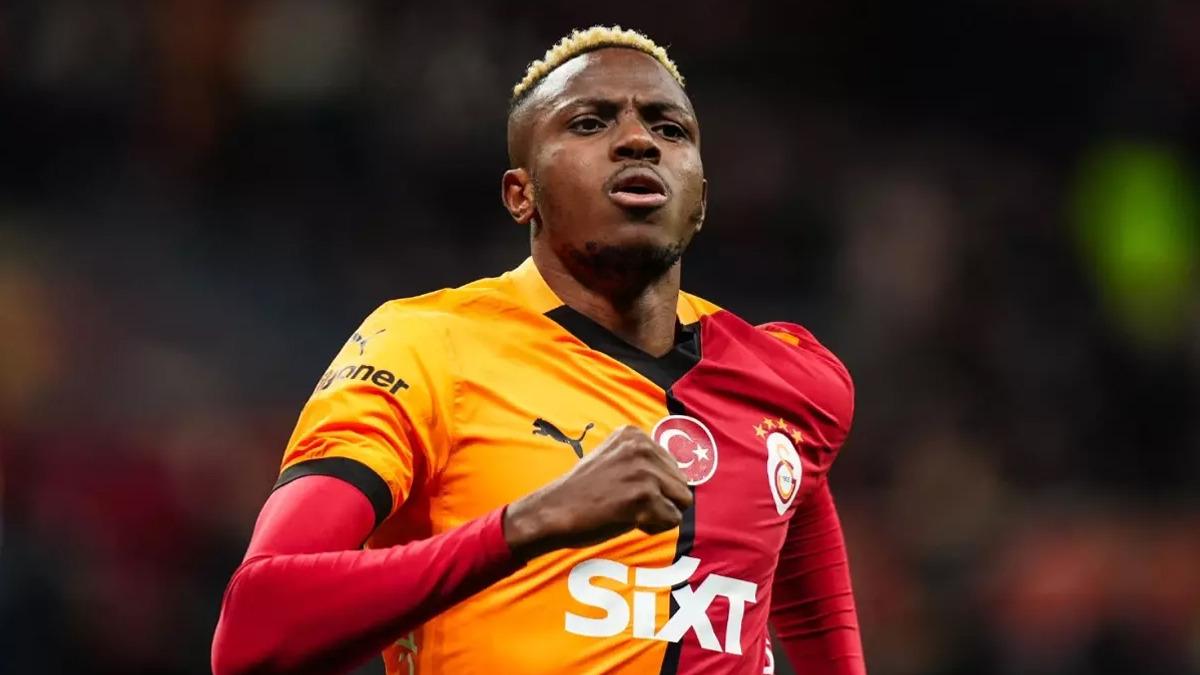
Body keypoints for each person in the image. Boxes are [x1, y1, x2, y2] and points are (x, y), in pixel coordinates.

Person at [211, 25, 865, 675]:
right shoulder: (429, 347)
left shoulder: (788, 380)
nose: (638, 140)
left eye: (670, 129)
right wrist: (527, 523)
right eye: (589, 123)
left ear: (699, 199)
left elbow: (805, 572)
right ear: (521, 195)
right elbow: (252, 634)